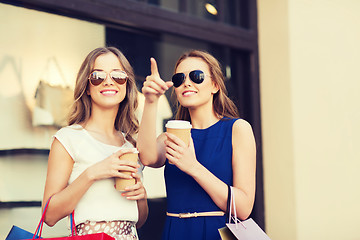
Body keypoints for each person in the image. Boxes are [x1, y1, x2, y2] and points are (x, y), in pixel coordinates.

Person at [137, 50, 256, 239]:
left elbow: (243, 208)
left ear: (215, 85)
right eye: (179, 78)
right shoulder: (171, 136)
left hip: (217, 233)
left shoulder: (237, 129)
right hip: (175, 232)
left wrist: (193, 167)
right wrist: (151, 101)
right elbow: (147, 156)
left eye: (197, 76)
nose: (187, 83)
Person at [42, 47, 148, 240]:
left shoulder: (130, 144)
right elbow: (49, 216)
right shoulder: (68, 138)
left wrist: (141, 196)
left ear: (126, 85)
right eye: (98, 76)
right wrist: (93, 173)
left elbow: (139, 220)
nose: (108, 81)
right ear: (87, 87)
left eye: (118, 75)